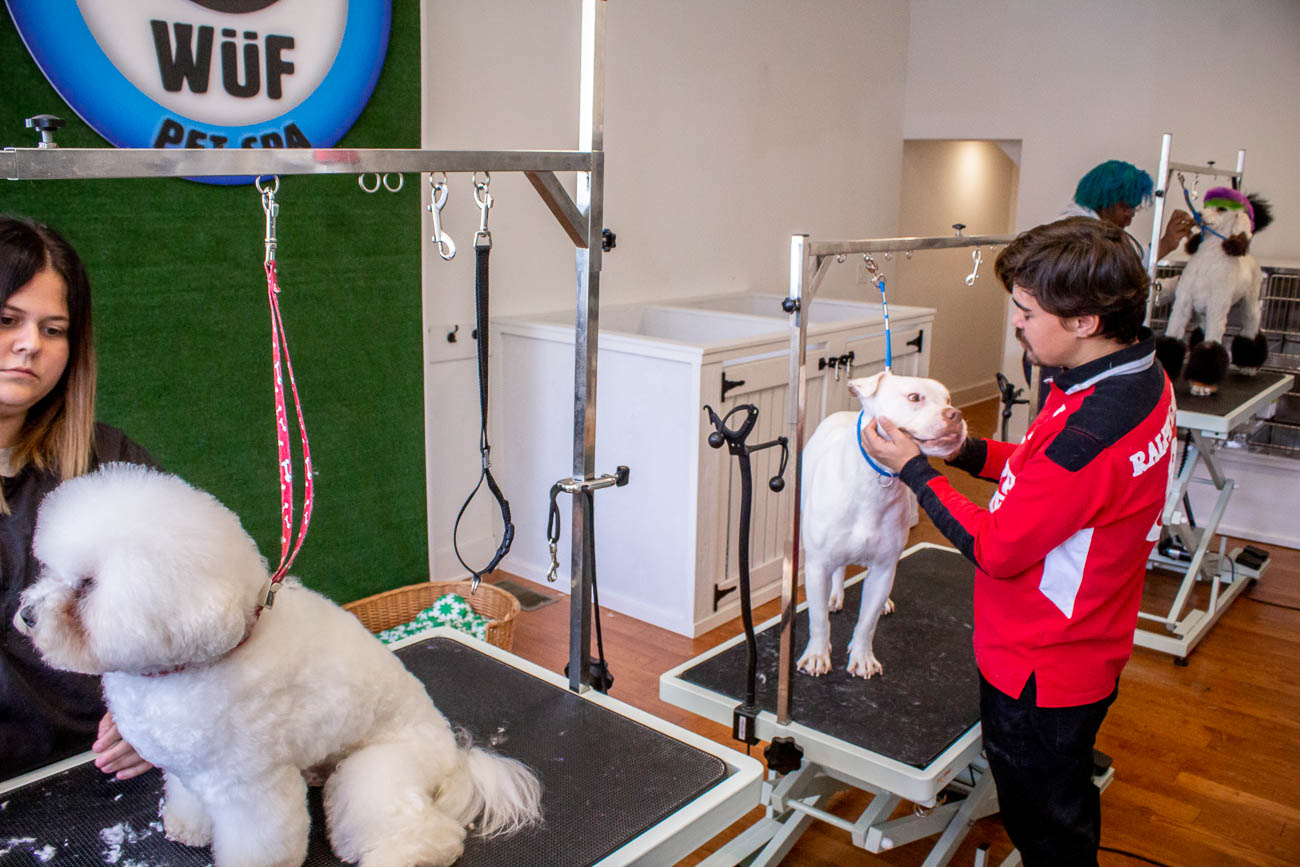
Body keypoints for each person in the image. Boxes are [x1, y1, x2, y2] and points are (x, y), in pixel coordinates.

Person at [861, 217, 1176, 865]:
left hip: (1043, 666)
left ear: (1085, 320)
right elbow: (1046, 467)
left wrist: (914, 471)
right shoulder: (1134, 378)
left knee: (1047, 828)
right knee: (1058, 797)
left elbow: (999, 546)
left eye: (1028, 312)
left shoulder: (1096, 429)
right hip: (1089, 636)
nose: (1017, 324)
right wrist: (968, 450)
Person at [0, 215, 157, 781]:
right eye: (7, 320)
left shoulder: (112, 462)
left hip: (110, 769)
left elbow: (208, 619)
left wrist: (162, 721)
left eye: (53, 329)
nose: (28, 345)